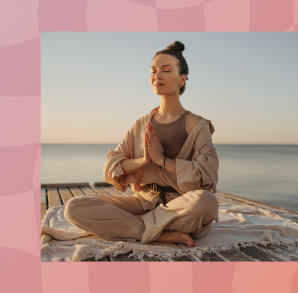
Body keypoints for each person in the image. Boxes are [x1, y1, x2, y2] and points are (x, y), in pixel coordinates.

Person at [64, 41, 220, 247]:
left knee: (207, 202)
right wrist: (144, 160)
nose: (158, 76)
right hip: (143, 202)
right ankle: (159, 232)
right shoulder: (141, 124)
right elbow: (113, 163)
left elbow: (207, 174)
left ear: (182, 79)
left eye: (166, 70)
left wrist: (161, 161)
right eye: (153, 71)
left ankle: (134, 228)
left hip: (181, 205)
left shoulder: (197, 125)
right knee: (74, 207)